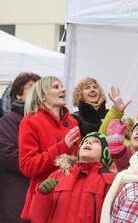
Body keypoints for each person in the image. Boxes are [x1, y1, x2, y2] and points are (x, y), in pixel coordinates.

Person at [18, 76, 80, 220]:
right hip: (44, 198)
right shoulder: (30, 122)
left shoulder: (72, 122)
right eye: (56, 87)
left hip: (70, 197)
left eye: (62, 86)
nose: (63, 89)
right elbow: (27, 166)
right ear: (43, 96)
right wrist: (61, 147)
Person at [29, 132, 116, 222]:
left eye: (96, 142)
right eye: (85, 141)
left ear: (106, 152)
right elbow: (37, 218)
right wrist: (42, 194)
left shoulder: (109, 180)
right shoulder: (58, 174)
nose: (88, 143)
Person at [0, 72, 40, 223]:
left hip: (41, 197)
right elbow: (8, 155)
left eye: (39, 87)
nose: (36, 90)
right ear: (18, 95)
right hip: (17, 198)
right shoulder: (8, 121)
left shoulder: (48, 121)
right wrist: (42, 162)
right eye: (31, 87)